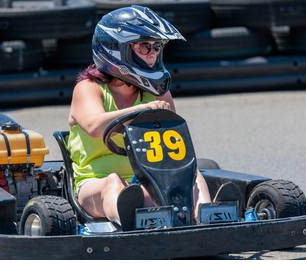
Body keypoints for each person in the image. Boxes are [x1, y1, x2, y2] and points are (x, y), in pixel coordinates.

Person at [67, 5, 212, 230]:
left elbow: (171, 138)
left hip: (150, 179)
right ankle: (133, 222)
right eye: (144, 46)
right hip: (94, 184)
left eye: (156, 45)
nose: (153, 52)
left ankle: (207, 221)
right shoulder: (89, 89)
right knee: (114, 183)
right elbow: (94, 126)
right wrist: (139, 112)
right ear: (116, 48)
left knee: (192, 176)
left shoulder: (156, 91)